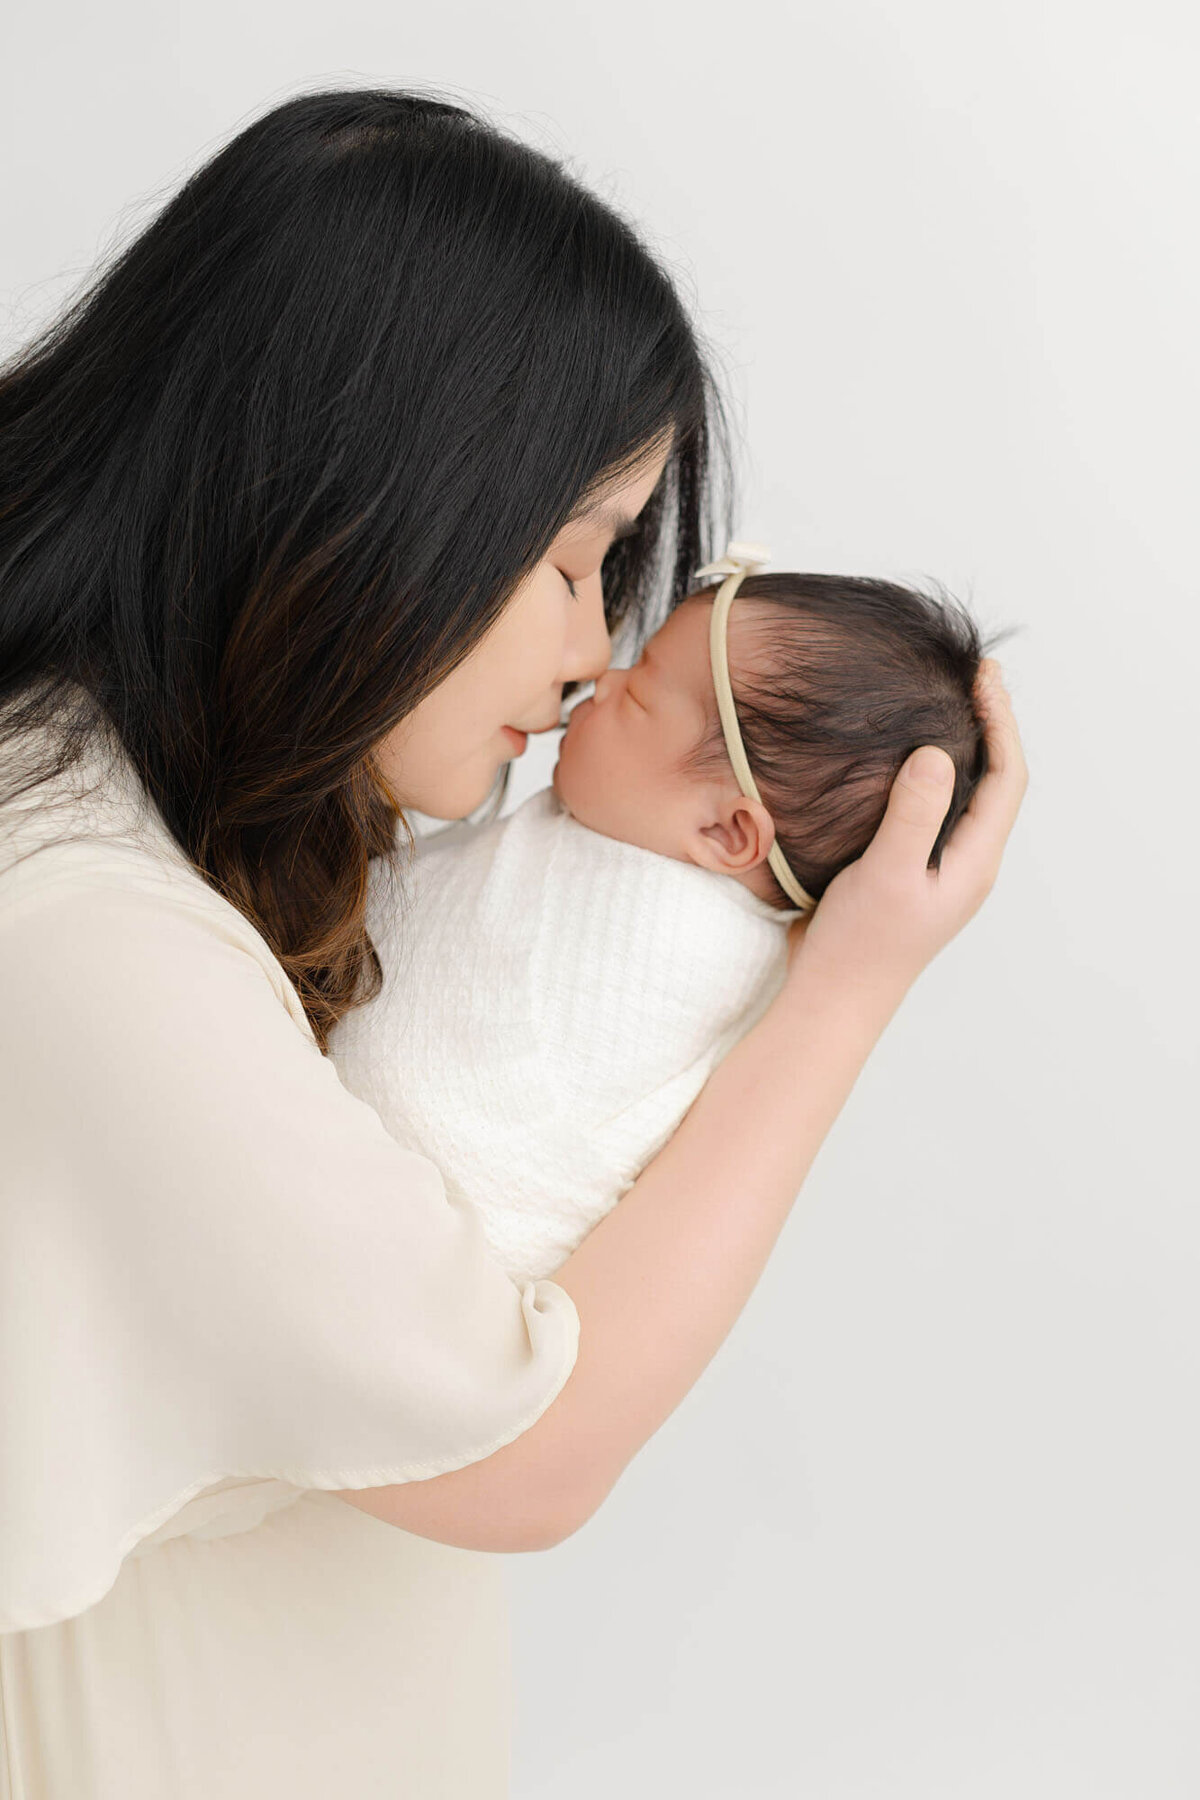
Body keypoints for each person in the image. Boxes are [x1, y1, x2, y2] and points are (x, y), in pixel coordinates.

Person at [0, 89, 1026, 1800]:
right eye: (576, 561)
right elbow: (518, 1449)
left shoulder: (149, 802)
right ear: (369, 493)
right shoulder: (90, 932)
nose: (592, 649)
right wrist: (847, 991)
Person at [330, 553, 995, 1287]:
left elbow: (412, 1078)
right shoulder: (628, 835)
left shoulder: (654, 949)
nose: (599, 679)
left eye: (639, 693)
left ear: (725, 833)